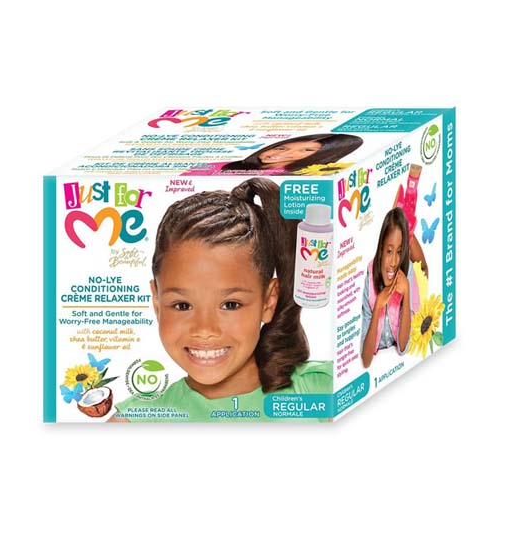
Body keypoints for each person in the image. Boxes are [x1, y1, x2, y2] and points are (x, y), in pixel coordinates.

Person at [109, 178, 332, 422]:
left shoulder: (323, 391)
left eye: (230, 305)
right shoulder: (133, 422)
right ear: (157, 302)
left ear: (268, 301)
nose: (205, 329)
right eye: (182, 305)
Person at [361, 208, 420, 368]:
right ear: (381, 249)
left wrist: (407, 292)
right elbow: (366, 360)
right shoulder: (370, 277)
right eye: (389, 251)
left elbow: (403, 347)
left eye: (399, 252)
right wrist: (378, 305)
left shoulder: (406, 272)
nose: (394, 262)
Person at [220, 133, 363, 174]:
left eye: (307, 150)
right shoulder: (226, 167)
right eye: (281, 148)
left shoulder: (311, 174)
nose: (284, 153)